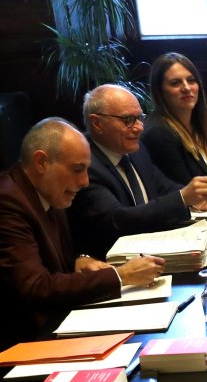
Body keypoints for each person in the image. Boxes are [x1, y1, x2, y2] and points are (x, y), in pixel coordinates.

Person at [0, 118, 164, 348]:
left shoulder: (47, 190)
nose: (85, 181)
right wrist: (121, 276)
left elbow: (53, 259)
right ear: (41, 162)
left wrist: (80, 260)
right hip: (23, 346)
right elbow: (35, 287)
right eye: (77, 169)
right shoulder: (7, 202)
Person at [68, 84, 207, 258]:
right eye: (128, 120)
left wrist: (195, 198)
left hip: (156, 252)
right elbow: (117, 220)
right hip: (117, 267)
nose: (139, 127)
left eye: (139, 117)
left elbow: (164, 186)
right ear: (97, 123)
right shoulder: (85, 166)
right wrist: (182, 198)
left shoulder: (136, 151)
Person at [142, 52, 207, 185]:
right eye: (175, 83)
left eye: (191, 80)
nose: (186, 88)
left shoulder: (200, 127)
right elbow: (183, 193)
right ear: (160, 91)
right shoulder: (158, 134)